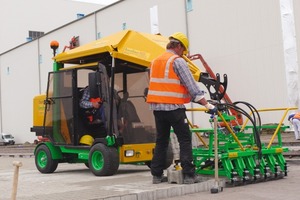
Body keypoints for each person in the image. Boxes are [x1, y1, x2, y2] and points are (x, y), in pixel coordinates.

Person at [146, 32, 217, 184]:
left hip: (157, 108)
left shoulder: (155, 61)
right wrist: (207, 104)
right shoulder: (177, 61)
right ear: (178, 46)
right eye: (183, 50)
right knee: (185, 139)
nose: (183, 54)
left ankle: (156, 175)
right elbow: (191, 86)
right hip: (173, 108)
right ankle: (189, 176)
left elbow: (163, 85)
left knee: (161, 140)